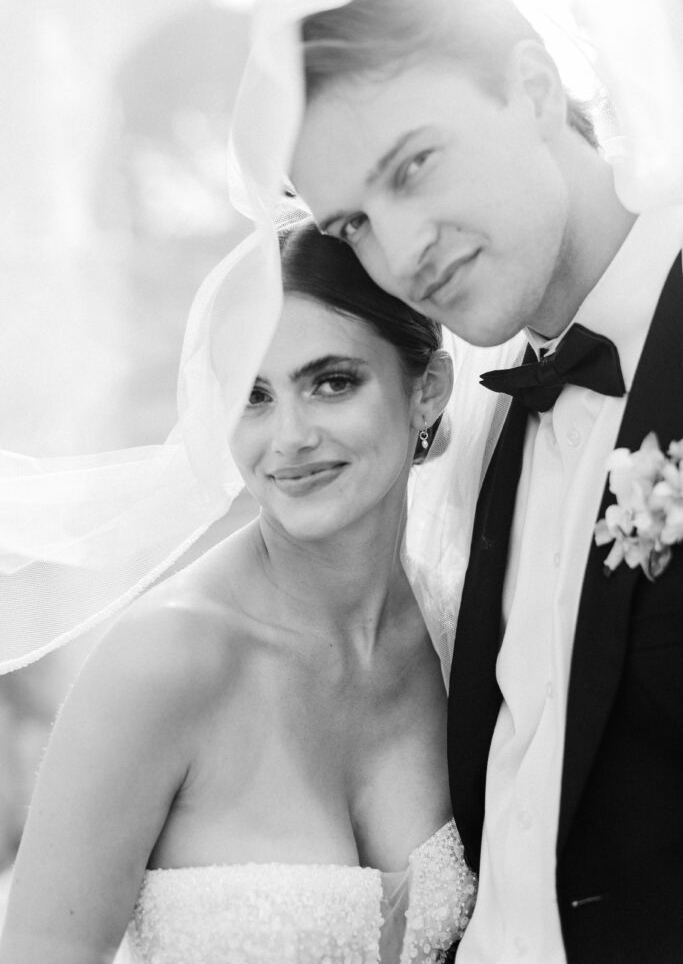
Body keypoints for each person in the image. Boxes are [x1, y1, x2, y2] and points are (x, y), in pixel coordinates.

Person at [289, 0, 683, 964]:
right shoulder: (478, 439)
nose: (399, 255)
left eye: (413, 165)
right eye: (353, 224)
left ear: (533, 89)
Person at [0, 216, 477, 964]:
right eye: (253, 396)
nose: (289, 436)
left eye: (331, 382)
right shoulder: (163, 662)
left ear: (429, 389)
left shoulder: (457, 638)